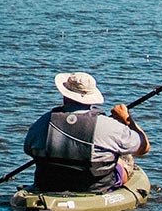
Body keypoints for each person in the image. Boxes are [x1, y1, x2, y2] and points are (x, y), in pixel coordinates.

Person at [22, 71, 150, 193]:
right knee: (125, 159)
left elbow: (28, 148)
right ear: (91, 98)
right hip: (95, 187)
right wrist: (127, 120)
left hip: (50, 184)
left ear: (65, 95)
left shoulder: (44, 121)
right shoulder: (109, 126)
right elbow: (143, 148)